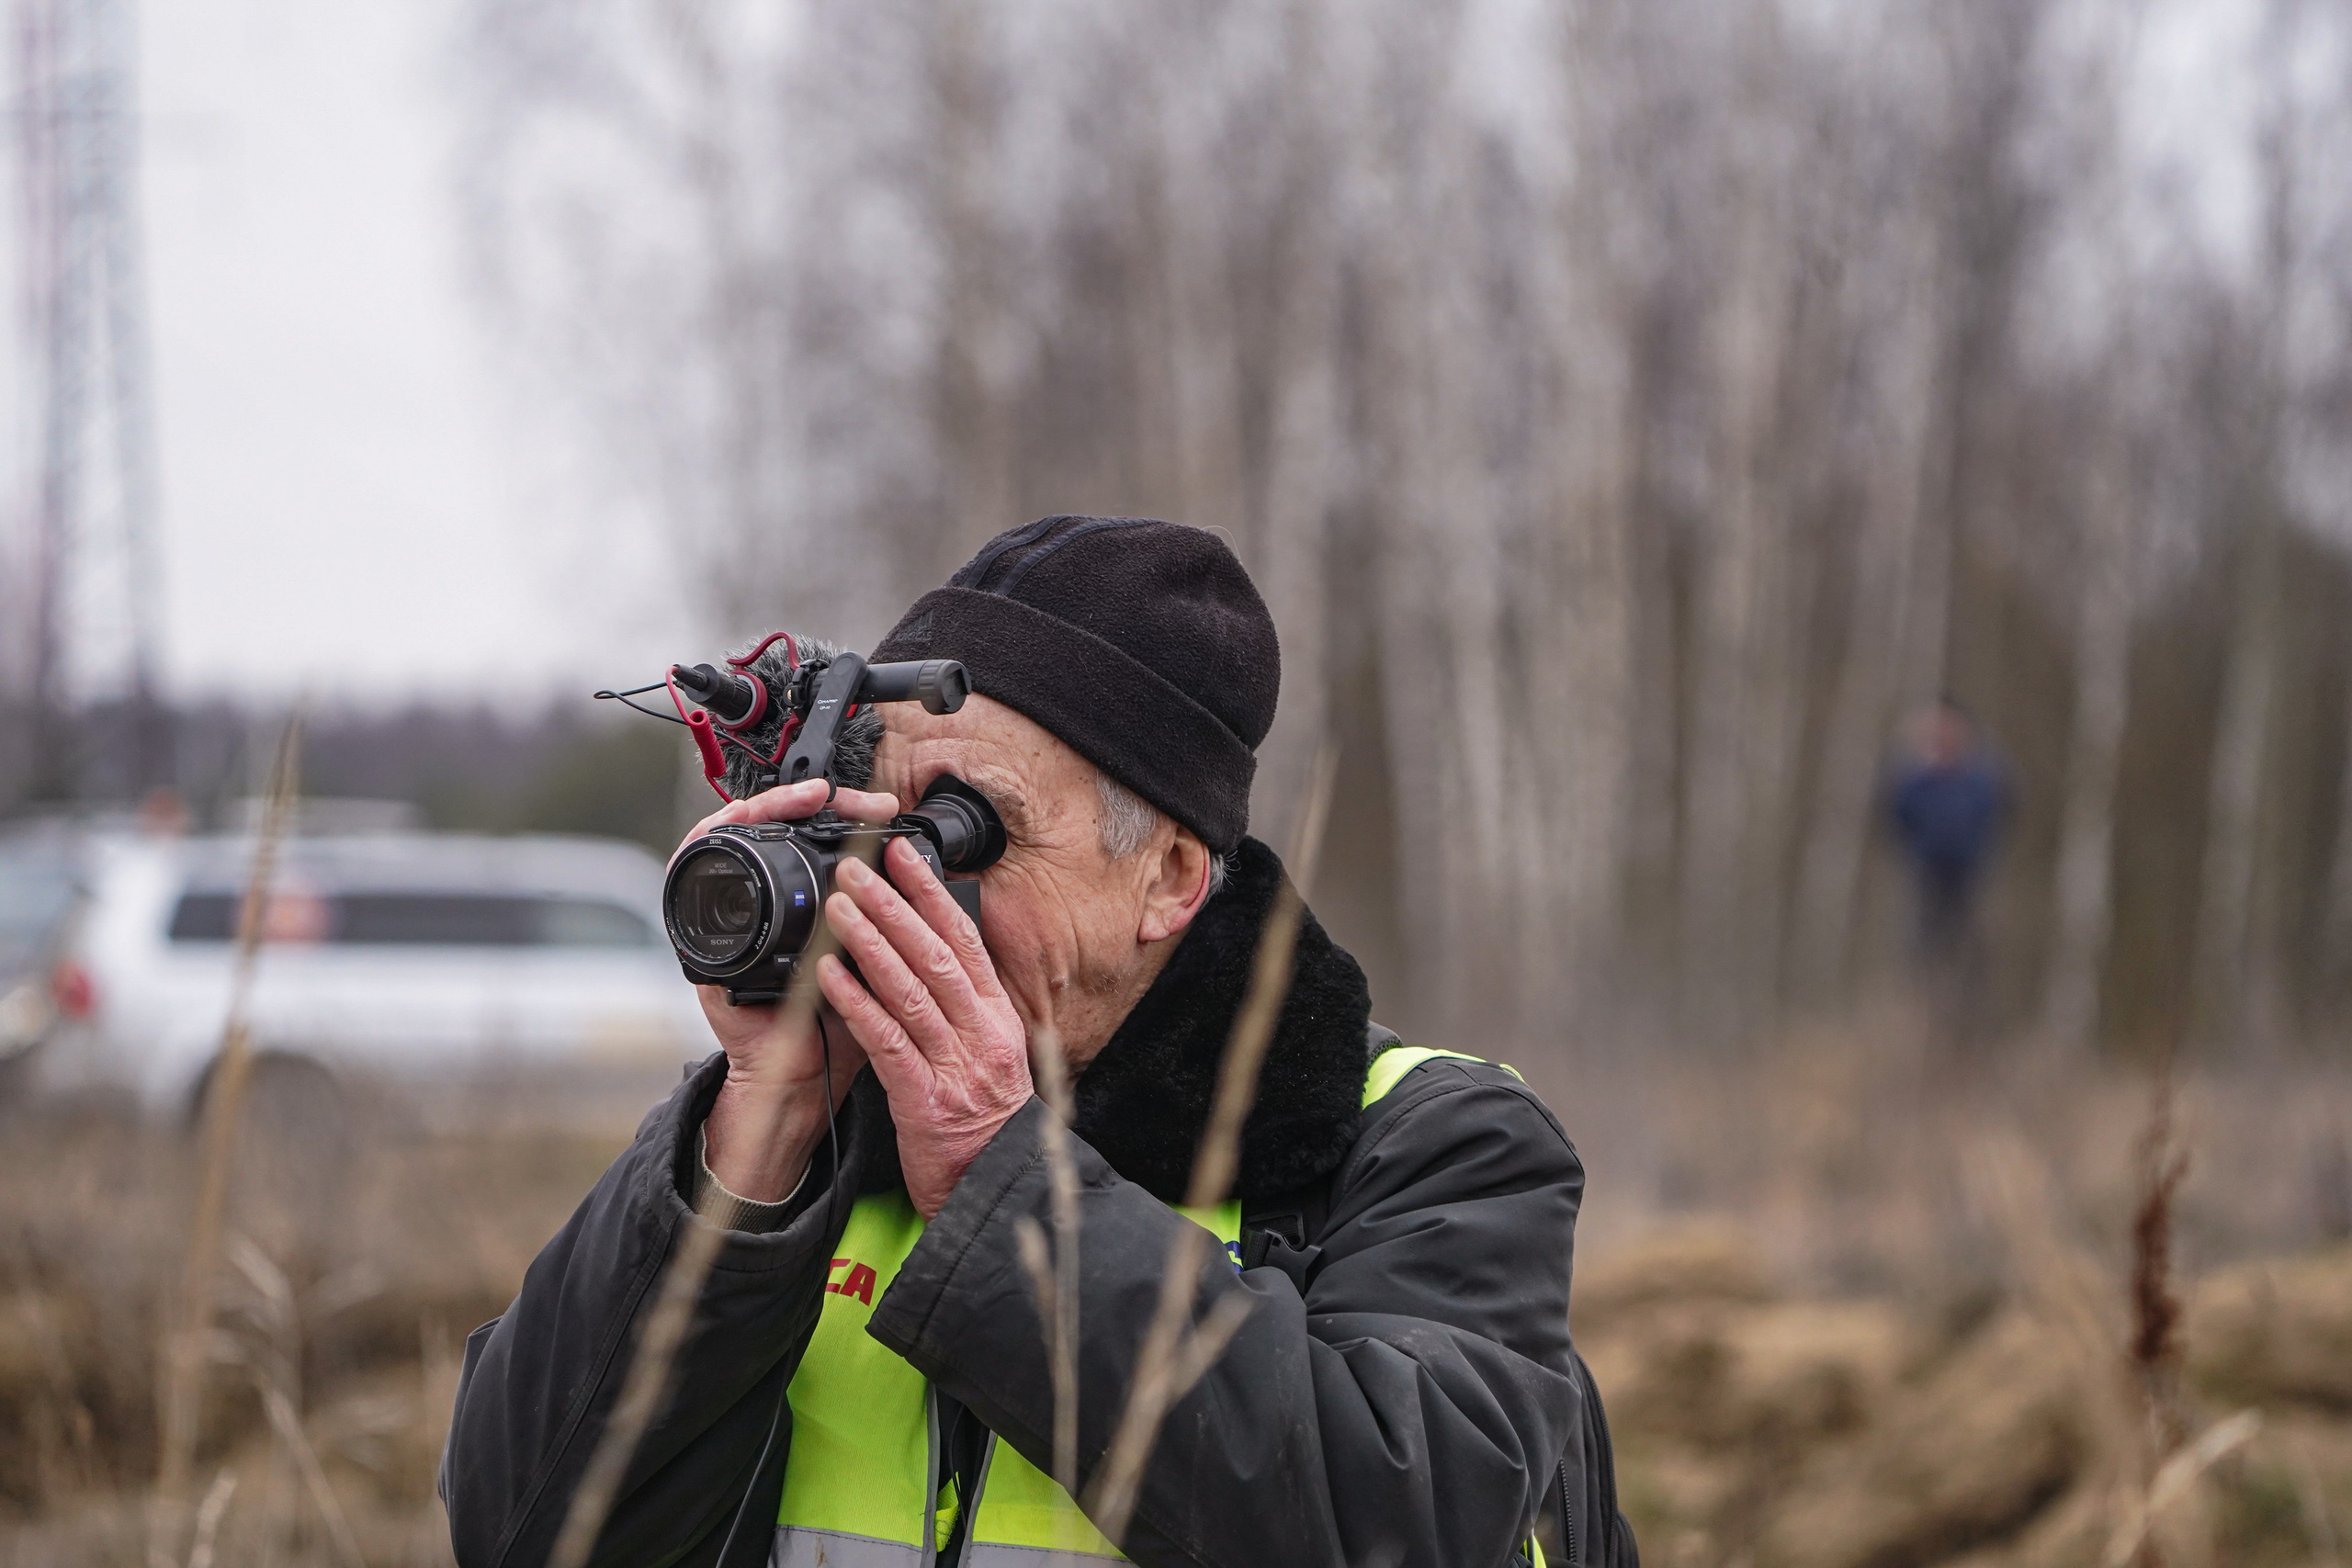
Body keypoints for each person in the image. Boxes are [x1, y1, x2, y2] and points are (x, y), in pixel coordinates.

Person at [440, 516, 1633, 1567]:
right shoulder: (804, 1133)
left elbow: (1403, 1526)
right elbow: (526, 1530)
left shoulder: (1435, 1138)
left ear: (1166, 875)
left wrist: (999, 1181)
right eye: (882, 811)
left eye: (968, 829)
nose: (900, 878)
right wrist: (753, 1140)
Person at [1887, 699, 2012, 964]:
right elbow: (1896, 816)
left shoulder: (1981, 777)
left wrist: (1984, 847)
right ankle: (1925, 992)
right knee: (1925, 937)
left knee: (1972, 937)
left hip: (1972, 871)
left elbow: (2004, 811)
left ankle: (1967, 994)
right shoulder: (1914, 779)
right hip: (1926, 870)